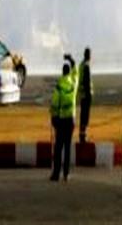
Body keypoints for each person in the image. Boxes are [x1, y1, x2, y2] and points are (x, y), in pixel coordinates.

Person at [50, 53, 79, 182]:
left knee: (58, 148)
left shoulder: (59, 85)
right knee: (67, 148)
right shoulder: (73, 84)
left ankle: (56, 174)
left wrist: (53, 118)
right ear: (69, 73)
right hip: (71, 120)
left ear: (62, 72)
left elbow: (55, 103)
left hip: (61, 121)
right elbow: (76, 72)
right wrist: (71, 59)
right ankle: (66, 174)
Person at [78, 47, 93, 143]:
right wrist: (89, 94)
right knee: (85, 116)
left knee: (82, 115)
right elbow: (87, 81)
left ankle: (82, 135)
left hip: (82, 94)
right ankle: (83, 136)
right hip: (86, 94)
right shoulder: (86, 66)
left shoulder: (81, 65)